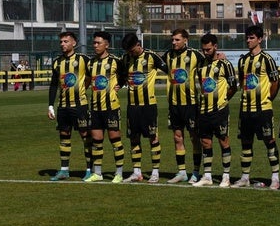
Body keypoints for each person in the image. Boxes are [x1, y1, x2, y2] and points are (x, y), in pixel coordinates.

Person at [231, 25, 280, 189]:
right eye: (247, 37)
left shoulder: (267, 59)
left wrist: (268, 98)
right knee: (246, 143)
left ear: (260, 39)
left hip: (263, 109)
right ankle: (245, 177)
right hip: (245, 109)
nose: (248, 40)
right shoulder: (242, 60)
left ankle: (275, 177)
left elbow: (275, 83)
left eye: (252, 37)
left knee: (269, 141)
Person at [192, 34, 238, 187]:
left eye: (208, 49)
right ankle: (207, 176)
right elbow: (202, 83)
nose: (206, 52)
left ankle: (226, 176)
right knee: (205, 142)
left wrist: (223, 99)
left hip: (220, 110)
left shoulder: (225, 64)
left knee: (223, 141)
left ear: (215, 47)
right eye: (203, 49)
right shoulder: (200, 65)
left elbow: (233, 86)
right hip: (204, 110)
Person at [121, 33, 168, 183]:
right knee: (134, 138)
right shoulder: (126, 59)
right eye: (127, 50)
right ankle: (137, 172)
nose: (129, 53)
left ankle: (155, 172)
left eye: (131, 49)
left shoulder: (152, 56)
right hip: (132, 106)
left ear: (137, 44)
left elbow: (169, 68)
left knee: (153, 138)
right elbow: (121, 75)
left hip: (148, 105)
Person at [162, 29, 205, 184]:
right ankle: (182, 172)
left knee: (194, 138)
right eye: (172, 40)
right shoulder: (168, 55)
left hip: (191, 104)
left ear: (185, 40)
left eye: (177, 40)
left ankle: (195, 172)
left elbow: (211, 61)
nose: (174, 42)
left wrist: (221, 56)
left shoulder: (195, 55)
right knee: (177, 137)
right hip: (174, 105)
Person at [47, 31, 92, 181]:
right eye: (61, 42)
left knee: (85, 137)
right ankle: (64, 170)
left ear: (74, 43)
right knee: (64, 136)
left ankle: (89, 169)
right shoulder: (57, 62)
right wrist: (50, 106)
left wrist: (84, 88)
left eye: (66, 41)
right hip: (63, 106)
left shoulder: (84, 59)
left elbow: (94, 75)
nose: (62, 44)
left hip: (80, 106)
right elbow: (54, 85)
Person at [85, 31, 127, 183]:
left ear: (107, 45)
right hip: (95, 108)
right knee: (96, 140)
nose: (95, 45)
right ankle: (98, 173)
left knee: (115, 139)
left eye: (98, 43)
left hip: (111, 107)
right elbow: (88, 80)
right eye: (94, 43)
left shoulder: (116, 61)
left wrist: (119, 86)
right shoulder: (91, 63)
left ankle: (119, 173)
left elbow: (124, 75)